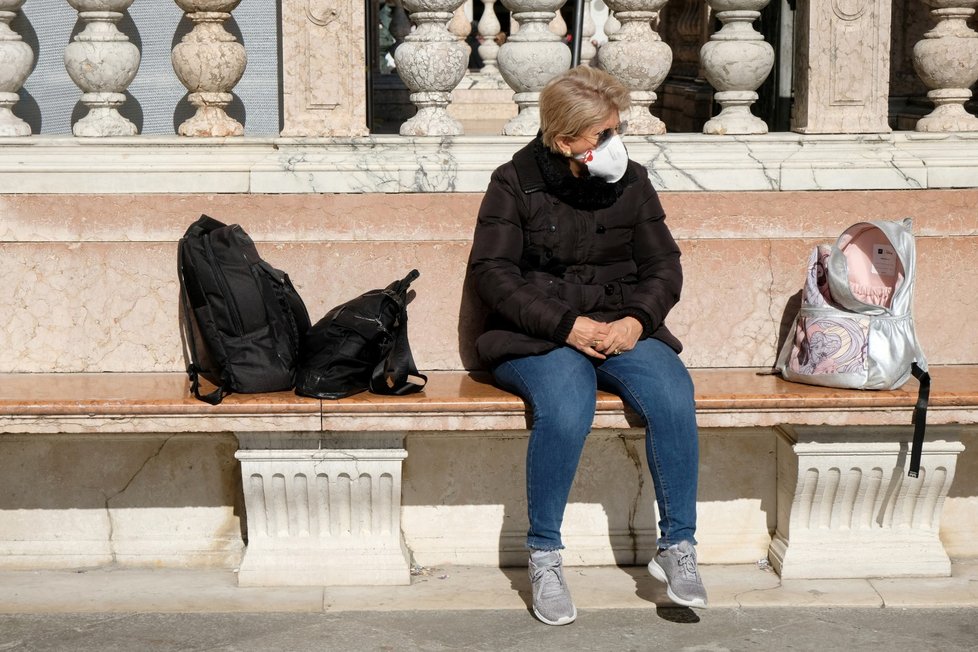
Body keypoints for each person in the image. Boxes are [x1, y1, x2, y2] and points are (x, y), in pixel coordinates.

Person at [467, 65, 707, 626]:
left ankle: (678, 547)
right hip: (538, 334)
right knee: (566, 405)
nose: (614, 143)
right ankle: (544, 555)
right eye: (602, 134)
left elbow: (664, 266)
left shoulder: (632, 180)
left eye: (615, 129)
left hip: (620, 325)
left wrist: (636, 320)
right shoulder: (512, 182)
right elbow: (493, 274)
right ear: (564, 140)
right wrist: (566, 326)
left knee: (673, 395)